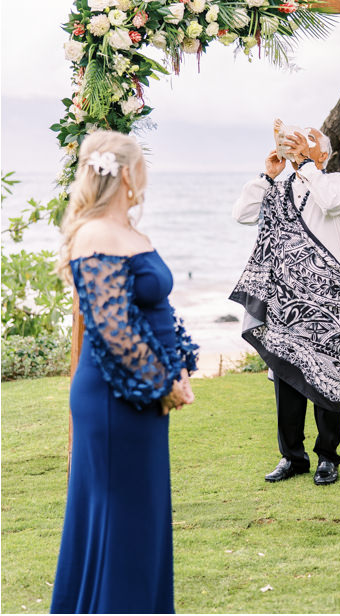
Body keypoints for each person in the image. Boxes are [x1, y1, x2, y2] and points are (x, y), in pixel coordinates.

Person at [51, 131, 198, 614]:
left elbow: (155, 312)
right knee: (121, 520)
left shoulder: (133, 234)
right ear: (129, 174)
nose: (147, 179)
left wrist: (179, 367)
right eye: (144, 170)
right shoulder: (94, 235)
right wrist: (163, 382)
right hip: (114, 397)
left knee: (142, 519)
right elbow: (113, 329)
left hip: (146, 393)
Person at [230, 125, 340, 486]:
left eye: (311, 142)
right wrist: (267, 176)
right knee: (286, 378)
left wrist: (306, 164)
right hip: (284, 300)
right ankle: (292, 457)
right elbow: (243, 214)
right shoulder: (279, 188)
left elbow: (330, 203)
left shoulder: (336, 183)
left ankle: (327, 458)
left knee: (327, 379)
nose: (301, 145)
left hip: (327, 300)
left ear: (324, 154)